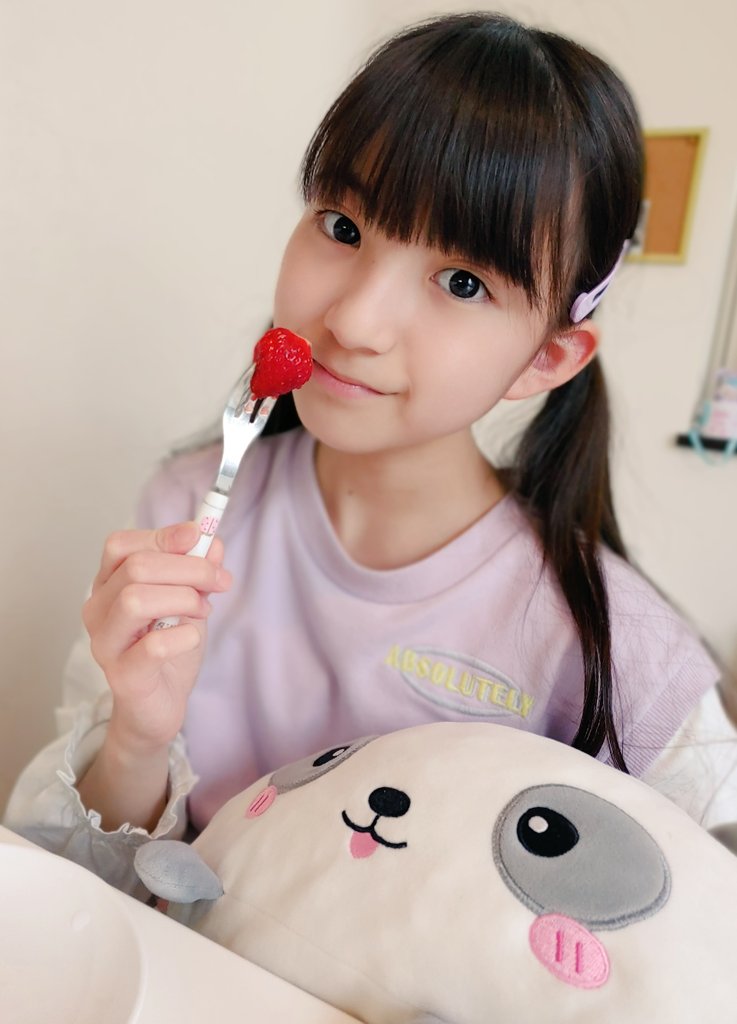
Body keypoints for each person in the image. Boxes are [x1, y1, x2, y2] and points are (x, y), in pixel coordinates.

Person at [5, 12, 736, 894]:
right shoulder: (190, 510)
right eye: (342, 226)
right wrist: (137, 736)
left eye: (461, 282)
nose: (352, 320)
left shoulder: (618, 656)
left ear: (545, 359)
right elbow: (74, 900)